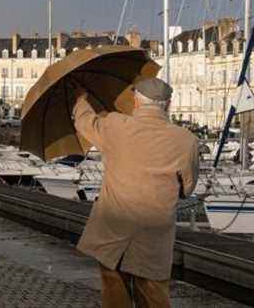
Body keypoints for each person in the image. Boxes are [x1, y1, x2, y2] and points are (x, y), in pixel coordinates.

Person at [72, 78, 199, 308]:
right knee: (153, 293)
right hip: (153, 231)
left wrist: (81, 99)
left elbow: (85, 122)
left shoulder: (115, 126)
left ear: (136, 102)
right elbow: (188, 188)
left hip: (114, 226)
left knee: (114, 290)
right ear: (168, 104)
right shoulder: (186, 140)